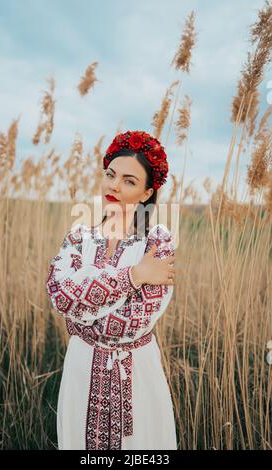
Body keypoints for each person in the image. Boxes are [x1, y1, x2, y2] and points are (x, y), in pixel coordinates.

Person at [46, 130, 178, 450]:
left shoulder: (158, 242)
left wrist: (83, 315)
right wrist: (133, 276)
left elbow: (128, 326)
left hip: (135, 374)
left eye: (129, 181)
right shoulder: (79, 237)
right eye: (110, 174)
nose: (114, 186)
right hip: (80, 367)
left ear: (147, 193)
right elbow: (60, 295)